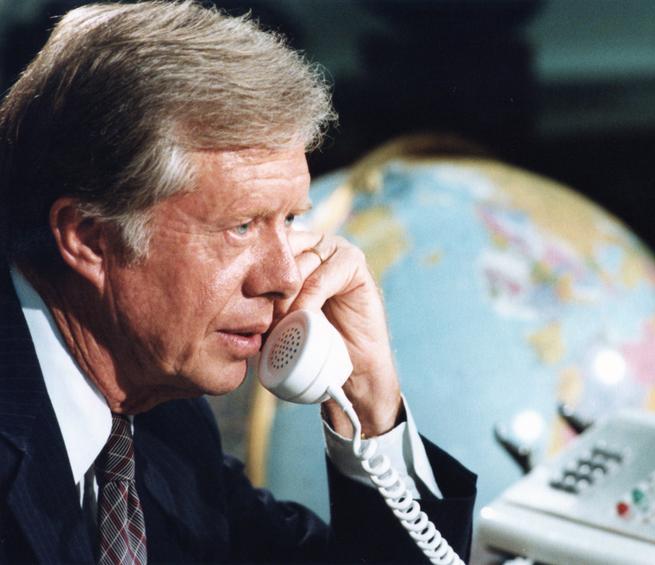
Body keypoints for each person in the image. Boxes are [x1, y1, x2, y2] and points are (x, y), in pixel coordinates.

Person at [0, 1, 476, 563]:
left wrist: (369, 404)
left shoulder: (167, 416)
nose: (284, 277)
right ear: (89, 238)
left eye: (291, 220)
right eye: (241, 226)